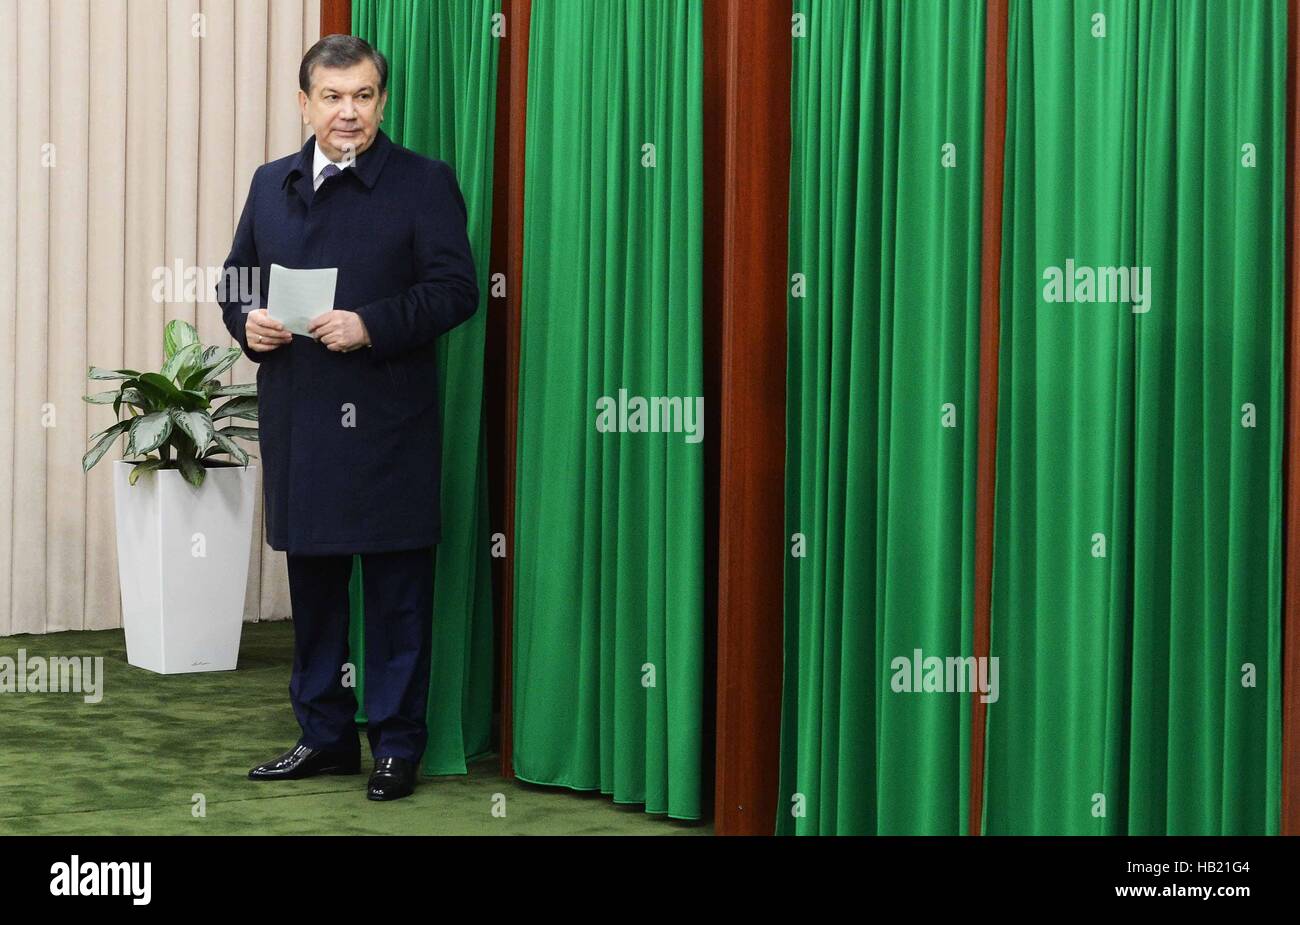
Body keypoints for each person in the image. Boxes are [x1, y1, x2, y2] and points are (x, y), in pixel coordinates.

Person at [215, 34, 479, 801]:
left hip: (391, 425)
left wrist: (371, 323)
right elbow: (236, 278)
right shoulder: (271, 184)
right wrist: (248, 321)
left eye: (363, 96)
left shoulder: (425, 183)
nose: (348, 112)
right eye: (332, 97)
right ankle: (324, 737)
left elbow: (457, 290)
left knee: (397, 594)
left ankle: (397, 746)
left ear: (382, 101)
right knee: (317, 592)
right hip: (301, 421)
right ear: (305, 104)